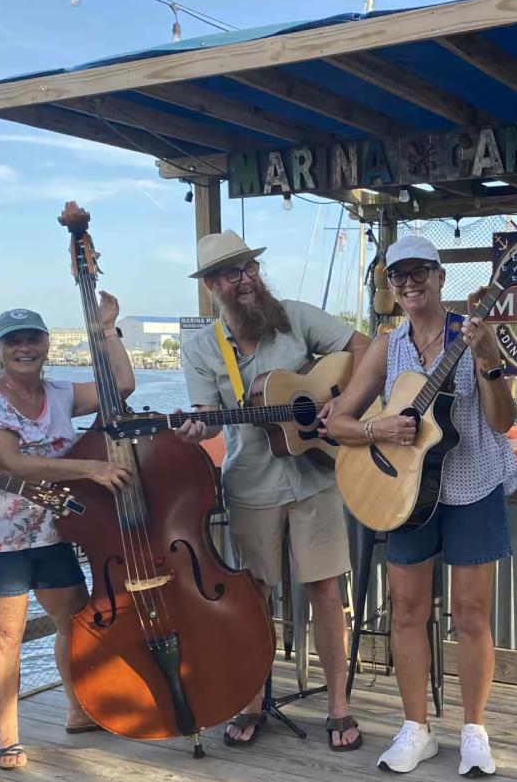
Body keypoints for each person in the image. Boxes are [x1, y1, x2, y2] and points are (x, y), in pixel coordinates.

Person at [325, 234, 517, 777]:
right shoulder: (389, 347)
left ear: (440, 277)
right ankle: (416, 728)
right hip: (407, 492)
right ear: (390, 287)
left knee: (472, 615)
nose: (409, 284)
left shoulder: (475, 333)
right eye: (398, 276)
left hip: (473, 484)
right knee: (408, 612)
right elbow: (339, 422)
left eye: (419, 273)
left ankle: (474, 730)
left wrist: (490, 363)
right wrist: (377, 427)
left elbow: (503, 421)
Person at [175, 230, 371, 751]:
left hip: (317, 477)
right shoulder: (199, 349)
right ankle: (252, 700)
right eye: (231, 273)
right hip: (252, 484)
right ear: (212, 285)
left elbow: (365, 350)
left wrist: (342, 405)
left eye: (248, 269)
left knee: (326, 591)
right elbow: (209, 422)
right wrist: (197, 428)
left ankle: (338, 706)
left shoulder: (299, 317)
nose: (244, 280)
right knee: (256, 594)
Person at [0, 304, 135, 770]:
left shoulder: (60, 393)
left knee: (75, 619)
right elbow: (7, 463)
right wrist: (89, 468)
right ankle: (6, 735)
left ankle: (80, 708)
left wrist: (107, 330)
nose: (24, 348)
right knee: (6, 634)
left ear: (46, 344)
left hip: (53, 529)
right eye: (13, 341)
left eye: (32, 338)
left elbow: (123, 388)